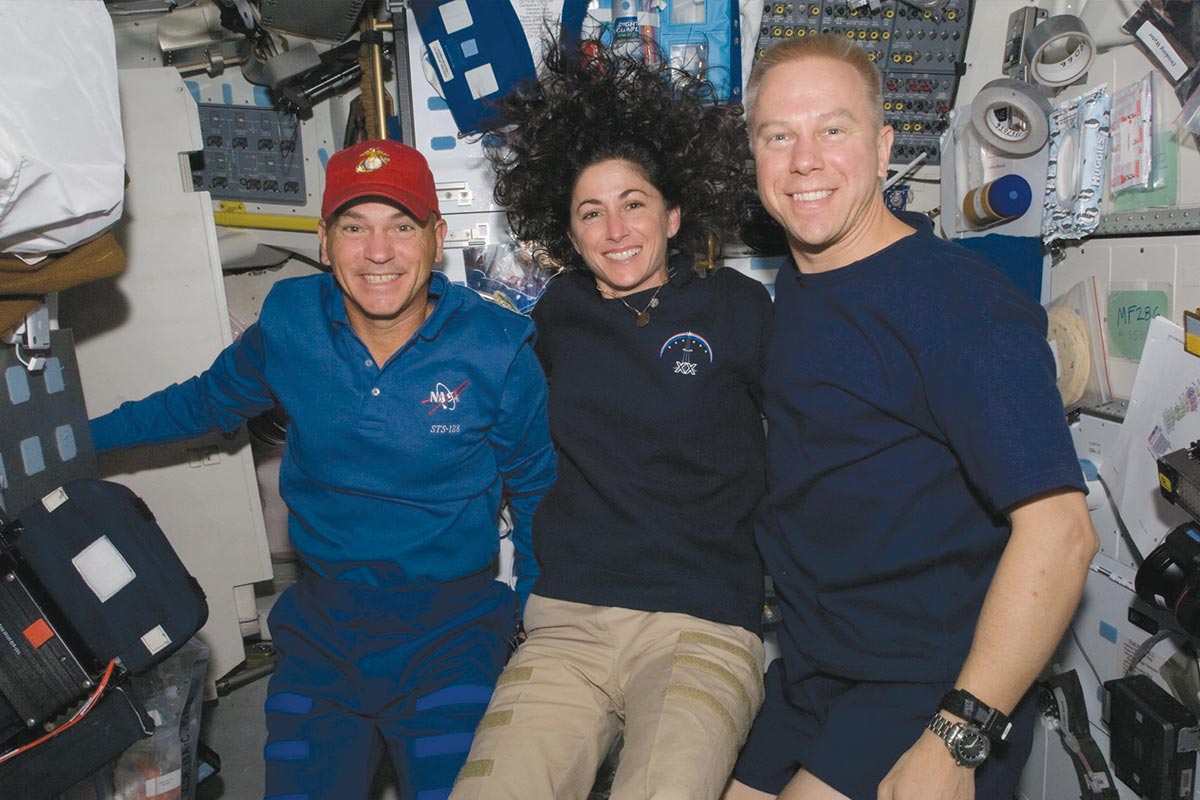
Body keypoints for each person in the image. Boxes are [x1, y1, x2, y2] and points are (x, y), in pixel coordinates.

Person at [89, 139, 557, 800]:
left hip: (451, 631)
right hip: (323, 631)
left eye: (401, 226)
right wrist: (74, 441)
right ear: (325, 239)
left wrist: (532, 622)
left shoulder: (498, 349)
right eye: (354, 227)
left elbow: (539, 491)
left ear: (437, 235)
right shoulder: (290, 322)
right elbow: (202, 403)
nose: (378, 251)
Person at [722, 35, 1100, 800]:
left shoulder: (962, 309)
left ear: (885, 144)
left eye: (833, 129)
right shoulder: (800, 291)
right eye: (778, 136)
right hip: (817, 668)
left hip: (928, 681)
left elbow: (1062, 534)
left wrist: (957, 740)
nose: (804, 160)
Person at [449, 40, 773, 800]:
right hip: (570, 621)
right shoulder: (559, 312)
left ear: (673, 214)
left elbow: (806, 435)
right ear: (569, 234)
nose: (615, 228)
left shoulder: (736, 306)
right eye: (590, 213)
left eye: (633, 203)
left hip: (702, 624)